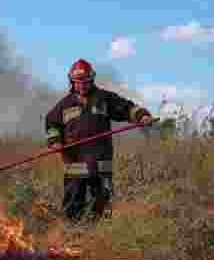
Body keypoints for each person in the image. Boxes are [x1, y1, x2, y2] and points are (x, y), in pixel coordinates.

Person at [45, 59, 155, 223]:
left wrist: (142, 116)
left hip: (101, 161)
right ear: (72, 82)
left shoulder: (104, 98)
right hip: (75, 162)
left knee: (103, 205)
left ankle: (100, 235)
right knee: (73, 203)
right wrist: (55, 142)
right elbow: (51, 123)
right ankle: (72, 234)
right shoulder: (64, 105)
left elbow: (126, 107)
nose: (82, 85)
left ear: (92, 80)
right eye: (78, 82)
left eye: (86, 81)